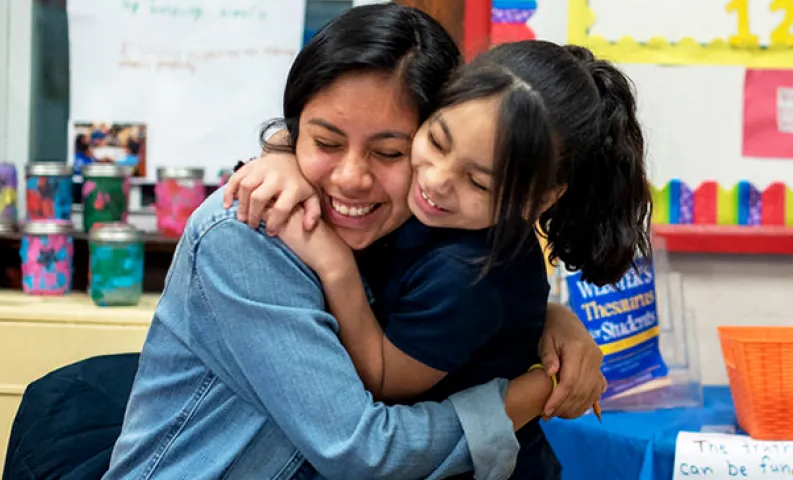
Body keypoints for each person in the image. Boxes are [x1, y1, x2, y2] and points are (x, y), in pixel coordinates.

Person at [104, 6, 604, 480]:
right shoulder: (250, 231)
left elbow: (481, 291)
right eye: (324, 142)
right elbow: (364, 451)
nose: (351, 178)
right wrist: (536, 389)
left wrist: (546, 320)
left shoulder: (422, 227)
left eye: (390, 151)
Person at [225, 40, 650, 479]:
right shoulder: (434, 217)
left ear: (540, 199)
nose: (437, 180)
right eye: (436, 141)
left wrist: (335, 267)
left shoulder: (470, 273)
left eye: (479, 182)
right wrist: (280, 153)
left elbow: (383, 380)